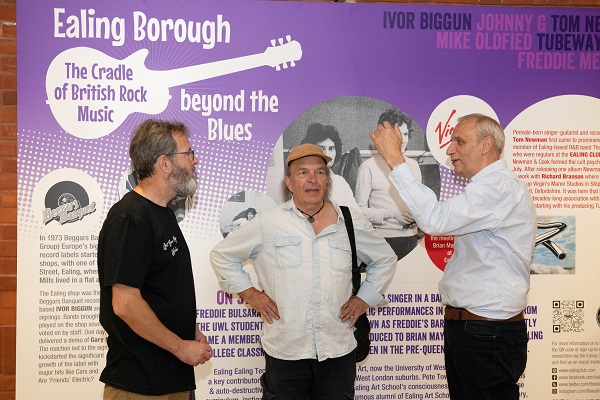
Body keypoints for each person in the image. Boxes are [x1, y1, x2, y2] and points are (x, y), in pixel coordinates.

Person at [210, 143, 396, 400]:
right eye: (303, 173)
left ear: (327, 180)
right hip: (286, 351)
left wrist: (365, 298)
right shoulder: (269, 222)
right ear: (288, 182)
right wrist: (250, 293)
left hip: (337, 350)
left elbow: (385, 259)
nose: (312, 180)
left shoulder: (349, 221)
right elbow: (222, 255)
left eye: (319, 172)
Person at [370, 114, 536, 400]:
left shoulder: (497, 187)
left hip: (487, 331)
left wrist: (396, 160)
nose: (449, 150)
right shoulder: (488, 188)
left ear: (486, 145)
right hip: (477, 329)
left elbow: (434, 220)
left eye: (459, 141)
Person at [97, 119, 212, 400]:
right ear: (164, 163)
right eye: (188, 153)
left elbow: (159, 288)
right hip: (140, 385)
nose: (195, 161)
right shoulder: (130, 218)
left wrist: (189, 330)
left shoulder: (162, 213)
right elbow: (125, 304)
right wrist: (180, 347)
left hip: (170, 379)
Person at [355, 108, 422, 260]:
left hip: (411, 239)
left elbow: (419, 203)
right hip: (381, 241)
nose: (403, 139)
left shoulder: (414, 166)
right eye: (397, 134)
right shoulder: (368, 167)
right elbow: (359, 212)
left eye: (405, 134)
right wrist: (392, 214)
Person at [301, 123, 361, 210]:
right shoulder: (301, 182)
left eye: (331, 148)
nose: (327, 154)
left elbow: (358, 216)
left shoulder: (340, 182)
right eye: (321, 148)